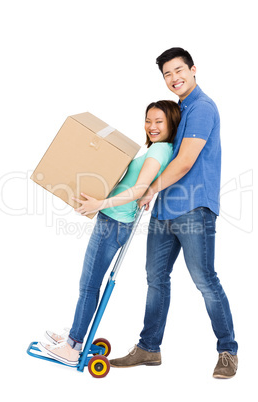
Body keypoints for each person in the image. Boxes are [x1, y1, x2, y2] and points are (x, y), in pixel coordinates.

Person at [109, 48, 238, 379]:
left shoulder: (202, 108)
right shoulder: (178, 109)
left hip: (194, 208)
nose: (174, 78)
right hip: (165, 211)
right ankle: (149, 348)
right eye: (167, 74)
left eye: (179, 70)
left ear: (193, 69)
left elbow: (184, 162)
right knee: (156, 279)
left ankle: (228, 350)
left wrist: (149, 188)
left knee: (205, 280)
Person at [38, 100, 181, 366]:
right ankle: (74, 336)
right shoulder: (160, 149)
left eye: (159, 121)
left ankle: (72, 347)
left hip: (113, 222)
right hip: (113, 221)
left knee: (89, 286)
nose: (152, 126)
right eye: (148, 120)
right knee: (89, 285)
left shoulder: (160, 151)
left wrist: (99, 204)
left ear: (171, 124)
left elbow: (139, 188)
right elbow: (144, 187)